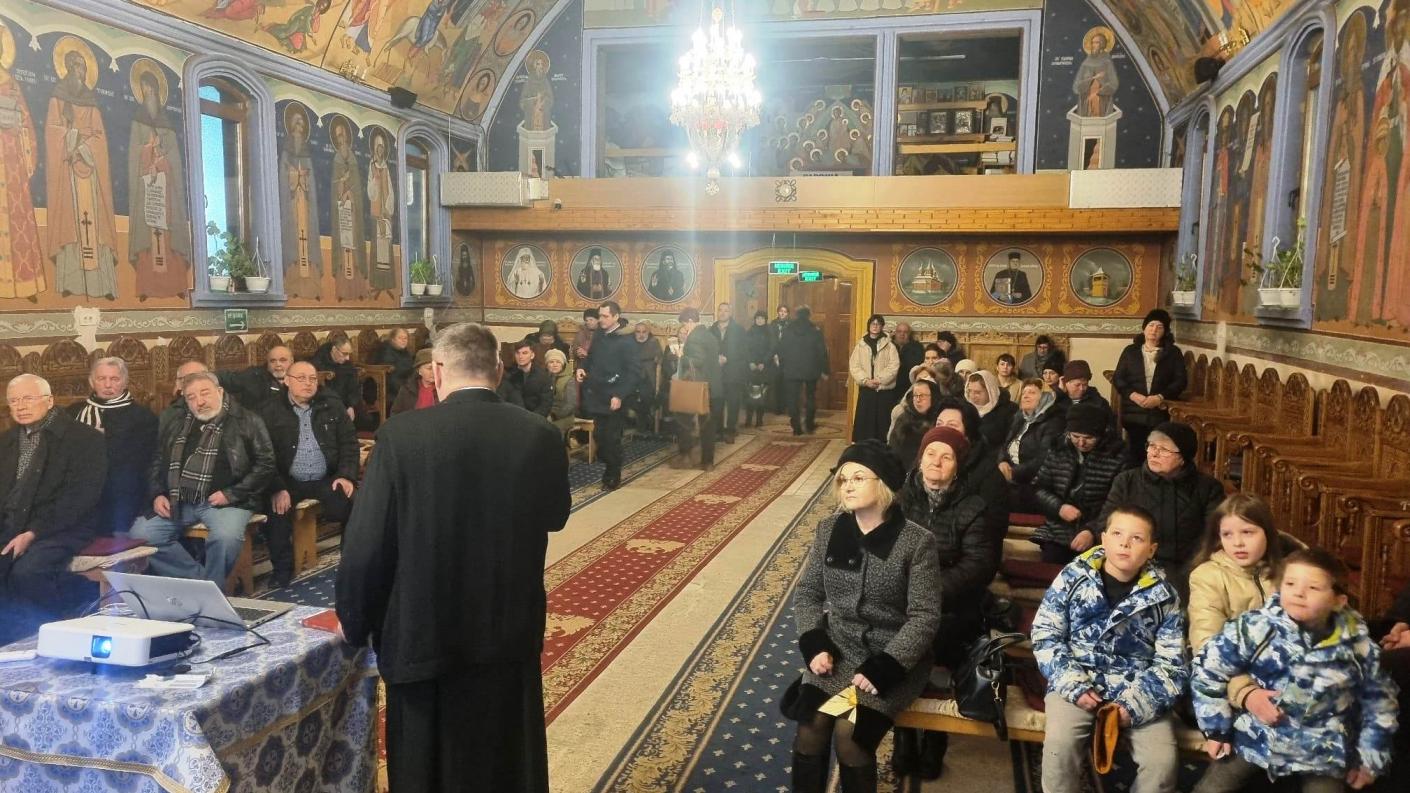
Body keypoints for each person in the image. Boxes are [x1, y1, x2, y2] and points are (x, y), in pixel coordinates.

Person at [336, 322, 571, 793]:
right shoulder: (539, 433)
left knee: (425, 765)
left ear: (438, 370)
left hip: (423, 633)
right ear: (499, 370)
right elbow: (556, 516)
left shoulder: (400, 436)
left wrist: (354, 620)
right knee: (506, 759)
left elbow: (366, 545)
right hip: (506, 627)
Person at [790, 441, 942, 793]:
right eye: (843, 480)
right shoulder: (829, 529)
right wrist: (814, 644)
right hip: (838, 649)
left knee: (851, 734)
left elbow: (924, 617)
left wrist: (886, 666)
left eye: (859, 477)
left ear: (883, 483)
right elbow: (808, 594)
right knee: (811, 725)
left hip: (892, 657)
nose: (848, 486)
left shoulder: (917, 542)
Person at [1192, 548, 1399, 793]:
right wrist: (1216, 729)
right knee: (1213, 787)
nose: (1299, 593)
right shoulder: (1257, 627)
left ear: (1338, 601)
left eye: (1313, 587)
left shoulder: (1356, 643)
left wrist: (1370, 759)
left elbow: (1379, 702)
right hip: (1257, 735)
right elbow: (1208, 668)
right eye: (1290, 584)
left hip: (1323, 748)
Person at [1031, 506, 1186, 793]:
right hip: (1077, 679)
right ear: (1103, 539)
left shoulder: (1164, 596)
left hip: (1138, 689)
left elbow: (1172, 665)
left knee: (1162, 763)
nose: (1125, 544)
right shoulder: (1074, 576)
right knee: (1060, 746)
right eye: (1117, 534)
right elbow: (1046, 634)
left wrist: (1134, 705)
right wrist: (1073, 685)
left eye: (1137, 538)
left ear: (1151, 549)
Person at [893, 426, 996, 780]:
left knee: (940, 643)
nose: (936, 462)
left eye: (946, 456)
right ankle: (904, 732)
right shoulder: (899, 499)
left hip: (951, 600)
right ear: (920, 458)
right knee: (894, 640)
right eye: (930, 454)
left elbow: (978, 564)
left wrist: (928, 591)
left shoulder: (973, 506)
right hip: (902, 596)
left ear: (957, 466)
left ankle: (935, 736)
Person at [130, 371, 275, 591]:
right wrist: (157, 494)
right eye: (191, 397)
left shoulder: (247, 420)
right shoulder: (176, 422)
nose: (199, 401)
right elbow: (157, 460)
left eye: (205, 393)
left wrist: (232, 494)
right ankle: (204, 586)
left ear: (220, 392)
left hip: (229, 501)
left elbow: (266, 464)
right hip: (179, 499)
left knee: (225, 538)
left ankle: (209, 591)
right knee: (141, 535)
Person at [0, 375, 107, 645]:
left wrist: (33, 532)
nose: (20, 406)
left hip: (62, 526)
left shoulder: (84, 439)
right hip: (12, 523)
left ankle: (50, 636)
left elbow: (80, 499)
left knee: (27, 570)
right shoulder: (7, 441)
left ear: (49, 401)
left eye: (28, 398)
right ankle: (10, 641)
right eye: (14, 401)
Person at [257, 361, 357, 588]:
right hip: (287, 482)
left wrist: (345, 475)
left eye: (312, 379)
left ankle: (351, 562)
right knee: (276, 513)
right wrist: (277, 487)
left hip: (327, 478)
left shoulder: (332, 405)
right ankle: (282, 570)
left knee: (355, 504)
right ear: (287, 381)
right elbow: (263, 456)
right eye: (301, 378)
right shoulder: (268, 411)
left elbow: (349, 444)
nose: (308, 383)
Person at [1099, 421, 1224, 585]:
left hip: (1186, 570)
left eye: (1164, 450)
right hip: (1134, 564)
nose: (1154, 454)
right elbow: (1106, 523)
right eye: (1152, 446)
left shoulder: (1208, 488)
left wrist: (1192, 568)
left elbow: (1213, 536)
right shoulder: (1127, 481)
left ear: (1183, 458)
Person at [1186, 495, 1292, 666]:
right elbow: (1206, 644)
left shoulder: (1287, 573)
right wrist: (1241, 682)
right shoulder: (1207, 576)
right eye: (1227, 534)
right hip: (1225, 670)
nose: (1237, 543)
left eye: (1247, 532)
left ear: (1267, 533)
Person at [70, 357, 159, 537]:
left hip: (121, 488)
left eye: (114, 379)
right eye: (101, 379)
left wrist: (99, 442)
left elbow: (141, 462)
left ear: (125, 382)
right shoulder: (73, 412)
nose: (108, 385)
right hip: (78, 484)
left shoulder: (142, 417)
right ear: (92, 382)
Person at [1030, 402, 1128, 564]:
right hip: (1058, 528)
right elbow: (1039, 488)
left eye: (1088, 438)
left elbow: (1118, 503)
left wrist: (1092, 531)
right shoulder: (1058, 449)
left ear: (1102, 434)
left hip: (1100, 527)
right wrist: (1059, 507)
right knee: (1053, 562)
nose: (1081, 443)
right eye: (1075, 436)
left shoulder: (1118, 456)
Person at [576, 301, 638, 490]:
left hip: (615, 397)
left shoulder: (627, 340)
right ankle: (612, 462)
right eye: (600, 316)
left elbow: (633, 373)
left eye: (605, 316)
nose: (601, 319)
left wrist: (619, 395)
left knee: (611, 438)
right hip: (597, 394)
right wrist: (582, 368)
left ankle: (612, 475)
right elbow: (590, 358)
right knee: (600, 437)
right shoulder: (599, 335)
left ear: (616, 317)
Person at [1113, 309, 1187, 466]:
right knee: (1134, 454)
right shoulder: (1130, 351)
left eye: (1159, 327)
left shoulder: (1173, 353)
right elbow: (1118, 379)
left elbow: (1180, 381)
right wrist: (1133, 395)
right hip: (1134, 411)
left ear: (1165, 331)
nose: (1154, 330)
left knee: (1157, 452)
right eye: (1151, 325)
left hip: (1160, 412)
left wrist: (1160, 397)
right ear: (1144, 328)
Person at [934, 398, 1011, 545]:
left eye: (952, 425)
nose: (943, 430)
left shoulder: (988, 474)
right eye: (939, 424)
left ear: (968, 433)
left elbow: (993, 530)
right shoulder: (924, 465)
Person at [1000, 379, 1065, 509]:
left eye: (1032, 392)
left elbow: (1043, 458)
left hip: (1033, 482)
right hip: (1010, 476)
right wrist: (1002, 461)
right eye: (1024, 392)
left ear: (1046, 397)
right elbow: (1005, 445)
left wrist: (1013, 472)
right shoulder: (1019, 417)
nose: (1025, 396)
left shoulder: (1054, 422)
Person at [671, 308, 722, 472]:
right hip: (713, 386)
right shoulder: (710, 335)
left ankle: (685, 457)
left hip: (697, 387)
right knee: (708, 425)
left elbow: (697, 361)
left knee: (683, 420)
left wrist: (681, 356)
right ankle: (708, 462)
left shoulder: (694, 338)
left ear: (690, 321)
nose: (684, 328)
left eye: (684, 324)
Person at [779, 306, 829, 437]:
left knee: (793, 399)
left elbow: (781, 349)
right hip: (811, 369)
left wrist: (783, 367)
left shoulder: (788, 329)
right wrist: (825, 369)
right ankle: (809, 425)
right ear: (809, 315)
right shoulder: (815, 330)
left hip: (791, 369)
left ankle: (796, 427)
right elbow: (822, 351)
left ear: (796, 315)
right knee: (810, 397)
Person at [850, 315, 901, 443]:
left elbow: (894, 366)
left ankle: (881, 447)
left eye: (878, 324)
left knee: (882, 423)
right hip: (866, 389)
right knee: (865, 422)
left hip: (883, 390)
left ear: (882, 326)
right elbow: (854, 366)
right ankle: (863, 446)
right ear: (869, 326)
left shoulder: (890, 345)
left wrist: (879, 380)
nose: (875, 326)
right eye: (873, 323)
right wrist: (866, 381)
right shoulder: (860, 345)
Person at [219, 344, 294, 413]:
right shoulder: (254, 376)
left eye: (283, 360)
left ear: (292, 361)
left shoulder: (299, 377)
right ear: (268, 364)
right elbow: (230, 379)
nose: (278, 364)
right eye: (272, 361)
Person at [711, 303, 748, 443]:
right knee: (717, 403)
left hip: (733, 372)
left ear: (730, 313)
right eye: (720, 310)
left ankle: (731, 431)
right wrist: (715, 358)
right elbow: (707, 348)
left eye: (726, 310)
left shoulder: (739, 330)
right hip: (716, 373)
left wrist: (728, 358)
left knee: (733, 403)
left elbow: (744, 351)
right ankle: (718, 431)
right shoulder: (711, 330)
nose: (722, 313)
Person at [887, 380, 941, 466]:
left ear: (933, 397)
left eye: (922, 396)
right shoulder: (903, 419)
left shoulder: (940, 420)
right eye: (915, 395)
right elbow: (893, 449)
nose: (918, 400)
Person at [312, 337, 361, 421]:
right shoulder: (319, 363)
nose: (348, 358)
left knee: (366, 420)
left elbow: (354, 387)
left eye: (349, 354)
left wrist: (350, 405)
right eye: (345, 354)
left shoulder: (347, 364)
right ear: (334, 349)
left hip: (347, 403)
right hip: (328, 403)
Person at [964, 371, 1016, 448]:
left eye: (977, 392)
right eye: (970, 391)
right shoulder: (966, 409)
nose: (972, 396)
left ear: (990, 391)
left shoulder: (1010, 411)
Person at [503, 340, 554, 418]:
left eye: (525, 353)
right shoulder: (509, 376)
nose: (520, 356)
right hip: (514, 417)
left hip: (535, 418)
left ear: (532, 355)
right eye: (517, 353)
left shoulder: (543, 376)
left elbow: (546, 404)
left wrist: (532, 419)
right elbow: (504, 400)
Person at [631, 322, 662, 433]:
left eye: (644, 332)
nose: (641, 335)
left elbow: (659, 357)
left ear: (648, 332)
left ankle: (643, 427)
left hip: (648, 378)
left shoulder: (653, 342)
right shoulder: (629, 343)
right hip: (632, 377)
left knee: (645, 397)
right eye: (638, 332)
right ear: (634, 333)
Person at [746, 310, 773, 429]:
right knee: (749, 394)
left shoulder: (769, 332)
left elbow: (772, 349)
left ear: (765, 320)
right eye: (757, 318)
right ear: (755, 319)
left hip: (764, 367)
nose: (759, 320)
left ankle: (759, 420)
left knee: (762, 395)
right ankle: (748, 419)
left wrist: (764, 363)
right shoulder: (750, 331)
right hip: (751, 367)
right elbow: (746, 348)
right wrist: (750, 362)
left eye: (762, 318)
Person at [390, 348, 438, 415]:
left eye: (436, 368)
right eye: (429, 368)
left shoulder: (444, 389)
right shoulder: (408, 389)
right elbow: (395, 413)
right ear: (419, 370)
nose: (434, 372)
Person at [375, 328, 414, 406]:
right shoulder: (386, 351)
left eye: (405, 338)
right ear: (392, 339)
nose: (403, 340)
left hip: (404, 384)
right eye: (400, 338)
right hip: (387, 387)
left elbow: (410, 369)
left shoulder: (405, 351)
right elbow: (392, 375)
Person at [544, 349, 578, 435]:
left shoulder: (569, 380)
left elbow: (570, 404)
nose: (555, 365)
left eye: (558, 362)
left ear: (562, 364)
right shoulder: (543, 378)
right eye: (551, 362)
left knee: (549, 431)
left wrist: (554, 416)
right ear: (547, 365)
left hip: (563, 417)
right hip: (545, 414)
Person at [770, 305, 791, 414]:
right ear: (777, 312)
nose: (782, 313)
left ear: (787, 314)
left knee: (786, 383)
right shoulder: (773, 324)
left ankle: (785, 406)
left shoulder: (791, 325)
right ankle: (776, 407)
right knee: (776, 383)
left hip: (787, 357)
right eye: (781, 311)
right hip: (774, 357)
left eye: (785, 311)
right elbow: (771, 340)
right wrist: (774, 355)